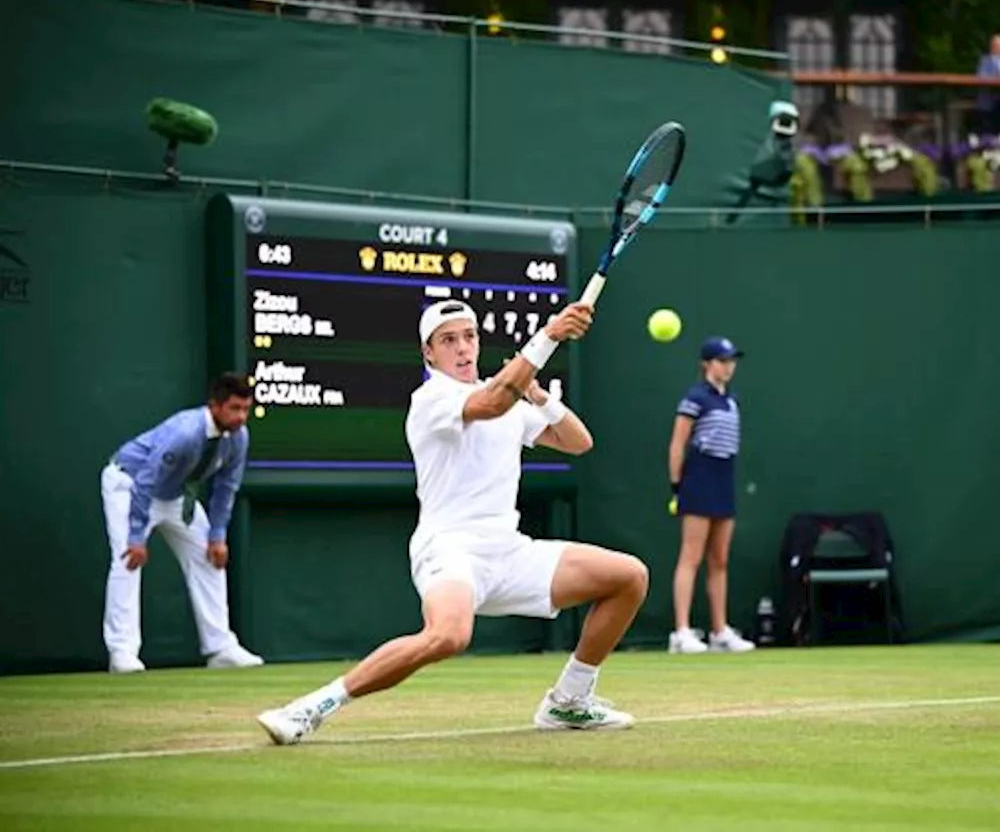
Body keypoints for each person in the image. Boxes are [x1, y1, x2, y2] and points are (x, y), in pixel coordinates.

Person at [256, 299, 649, 744]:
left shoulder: (511, 399)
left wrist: (537, 394)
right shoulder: (431, 400)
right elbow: (494, 401)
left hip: (509, 552)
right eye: (449, 340)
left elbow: (578, 442)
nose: (463, 348)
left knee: (628, 577)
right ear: (429, 353)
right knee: (448, 636)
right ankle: (311, 707)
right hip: (450, 549)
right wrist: (550, 336)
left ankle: (569, 700)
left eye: (469, 336)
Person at [101, 372, 264, 673]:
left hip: (174, 495)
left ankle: (220, 648)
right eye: (234, 408)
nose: (242, 416)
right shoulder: (185, 433)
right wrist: (136, 537)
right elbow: (146, 481)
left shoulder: (238, 437)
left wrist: (217, 535)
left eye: (246, 409)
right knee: (127, 560)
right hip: (130, 483)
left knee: (211, 556)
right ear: (214, 406)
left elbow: (226, 488)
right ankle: (122, 652)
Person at [666, 336, 755, 654]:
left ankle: (719, 632)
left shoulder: (731, 400)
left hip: (724, 481)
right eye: (722, 360)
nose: (728, 366)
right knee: (691, 557)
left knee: (719, 559)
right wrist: (677, 486)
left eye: (731, 361)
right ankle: (681, 632)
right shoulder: (695, 397)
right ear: (707, 364)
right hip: (698, 480)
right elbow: (677, 444)